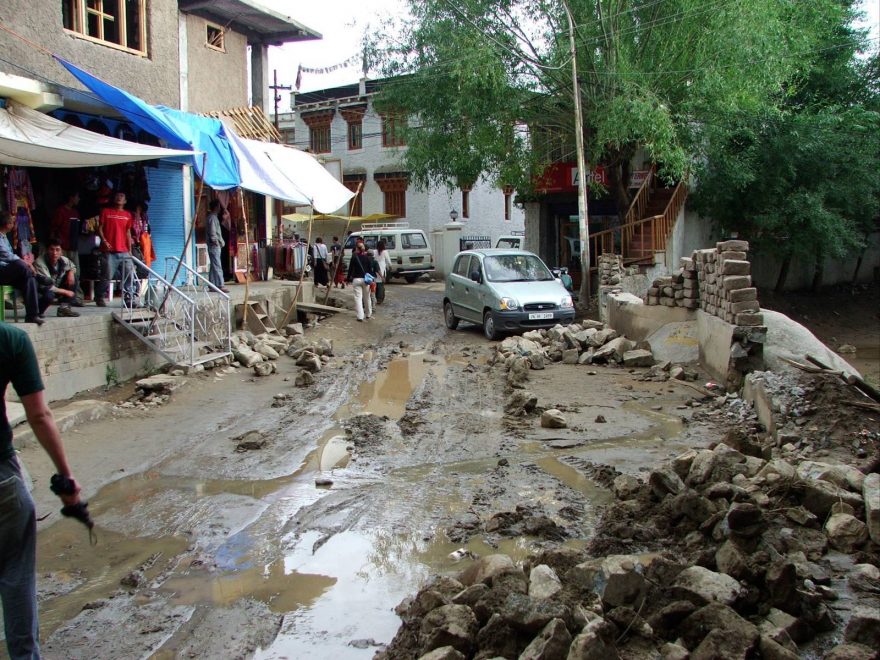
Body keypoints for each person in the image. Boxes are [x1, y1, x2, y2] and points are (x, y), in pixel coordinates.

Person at [1, 323, 82, 659]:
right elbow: (38, 415)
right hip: (3, 481)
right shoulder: (11, 340)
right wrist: (66, 478)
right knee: (16, 576)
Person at [0, 211, 45, 325]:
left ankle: (32, 316)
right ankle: (38, 277)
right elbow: (7, 255)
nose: (13, 224)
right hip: (2, 272)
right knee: (19, 264)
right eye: (12, 222)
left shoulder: (4, 237)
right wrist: (26, 263)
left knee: (29, 279)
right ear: (7, 224)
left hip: (8, 273)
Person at [96, 192, 135, 307]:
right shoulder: (106, 212)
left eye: (122, 196)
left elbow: (128, 232)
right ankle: (99, 296)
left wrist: (130, 250)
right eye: (117, 196)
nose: (119, 198)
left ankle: (128, 299)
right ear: (114, 199)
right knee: (107, 276)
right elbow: (100, 228)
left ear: (125, 201)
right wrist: (104, 241)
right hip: (109, 251)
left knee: (129, 275)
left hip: (124, 251)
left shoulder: (128, 215)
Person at [48, 191, 84, 304]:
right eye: (77, 197)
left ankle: (76, 297)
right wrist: (54, 245)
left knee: (75, 272)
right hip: (62, 247)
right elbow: (54, 228)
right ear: (71, 197)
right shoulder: (61, 211)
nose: (78, 199)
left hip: (73, 247)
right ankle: (59, 295)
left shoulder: (75, 212)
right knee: (60, 272)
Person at [34, 240, 79, 318]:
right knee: (49, 295)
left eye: (57, 250)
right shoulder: (40, 262)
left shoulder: (63, 260)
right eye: (52, 249)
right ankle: (38, 311)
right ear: (47, 250)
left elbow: (72, 266)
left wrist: (71, 273)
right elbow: (47, 285)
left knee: (73, 278)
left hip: (56, 285)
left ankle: (64, 308)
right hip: (41, 290)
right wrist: (65, 292)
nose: (54, 253)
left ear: (61, 252)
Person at [346, 243, 375, 322]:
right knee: (367, 298)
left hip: (356, 279)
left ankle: (360, 316)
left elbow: (350, 269)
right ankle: (368, 314)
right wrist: (372, 280)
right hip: (366, 280)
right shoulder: (367, 258)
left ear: (357, 249)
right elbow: (370, 270)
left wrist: (347, 279)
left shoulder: (354, 257)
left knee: (358, 298)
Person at [205, 200, 228, 292]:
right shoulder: (212, 218)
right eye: (218, 206)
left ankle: (212, 284)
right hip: (214, 246)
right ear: (215, 207)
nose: (220, 208)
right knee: (217, 265)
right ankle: (220, 284)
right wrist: (216, 242)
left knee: (213, 265)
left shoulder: (213, 217)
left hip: (214, 245)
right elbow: (212, 232)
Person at [375, 239, 392, 305]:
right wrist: (390, 267)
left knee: (376, 285)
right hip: (382, 270)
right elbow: (388, 261)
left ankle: (376, 298)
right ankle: (380, 299)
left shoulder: (374, 252)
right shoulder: (385, 252)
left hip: (376, 270)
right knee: (381, 285)